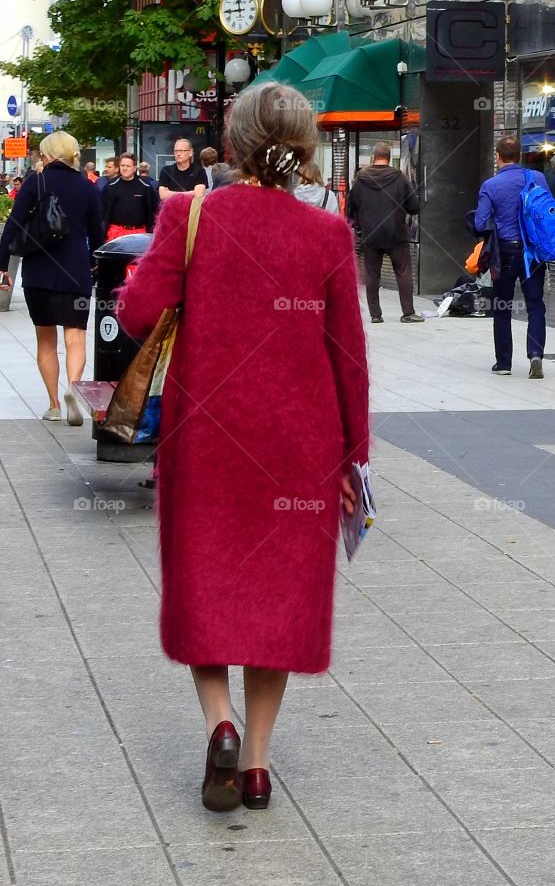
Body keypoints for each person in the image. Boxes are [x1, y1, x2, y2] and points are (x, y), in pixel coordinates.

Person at [114, 81, 369, 813]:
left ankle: (218, 722)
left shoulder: (189, 215)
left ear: (234, 143)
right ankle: (256, 765)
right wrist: (352, 459)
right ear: (305, 150)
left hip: (208, 440)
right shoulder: (326, 235)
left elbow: (136, 316)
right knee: (277, 602)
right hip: (301, 444)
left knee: (207, 587)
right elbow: (347, 356)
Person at [0, 132, 104, 425]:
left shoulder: (37, 181)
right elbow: (98, 234)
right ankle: (72, 388)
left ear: (47, 155)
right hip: (76, 272)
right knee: (76, 337)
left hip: (39, 272)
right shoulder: (87, 186)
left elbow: (14, 223)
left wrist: (2, 264)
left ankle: (54, 404)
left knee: (45, 338)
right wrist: (96, 265)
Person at [474, 135, 550, 378]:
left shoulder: (491, 185)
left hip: (504, 252)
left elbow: (479, 223)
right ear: (520, 155)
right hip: (534, 252)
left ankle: (504, 363)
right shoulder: (538, 178)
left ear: (498, 157)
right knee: (535, 305)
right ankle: (535, 354)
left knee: (502, 305)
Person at [346, 142, 424, 324]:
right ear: (389, 158)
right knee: (403, 271)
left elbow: (351, 209)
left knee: (372, 273)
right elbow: (414, 207)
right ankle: (408, 313)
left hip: (370, 234)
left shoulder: (360, 179)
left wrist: (361, 221)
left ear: (374, 157)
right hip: (396, 233)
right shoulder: (401, 178)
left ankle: (375, 314)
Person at [102, 152, 159, 240]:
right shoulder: (111, 185)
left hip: (139, 233)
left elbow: (154, 210)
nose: (125, 168)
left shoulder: (145, 186)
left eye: (128, 166)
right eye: (122, 165)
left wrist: (151, 232)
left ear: (134, 168)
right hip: (115, 233)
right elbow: (102, 211)